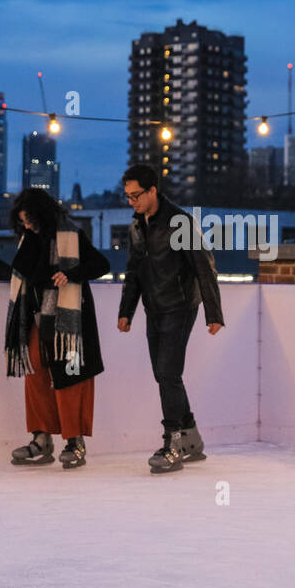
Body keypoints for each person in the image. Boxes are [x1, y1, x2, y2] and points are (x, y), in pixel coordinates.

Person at [117, 165, 224, 474]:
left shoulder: (180, 222)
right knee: (165, 374)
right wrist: (127, 311)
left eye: (136, 195)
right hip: (154, 306)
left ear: (153, 191)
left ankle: (172, 444)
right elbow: (133, 272)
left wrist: (213, 313)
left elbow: (204, 267)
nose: (132, 202)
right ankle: (191, 439)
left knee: (167, 372)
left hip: (180, 306)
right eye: (127, 197)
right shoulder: (136, 227)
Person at [5, 188, 110, 469]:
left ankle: (75, 441)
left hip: (70, 322)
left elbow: (102, 264)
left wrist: (71, 273)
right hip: (39, 316)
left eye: (30, 221)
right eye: (23, 222)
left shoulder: (70, 235)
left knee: (70, 375)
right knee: (35, 371)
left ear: (42, 216)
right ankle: (41, 438)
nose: (26, 226)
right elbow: (23, 273)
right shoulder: (29, 239)